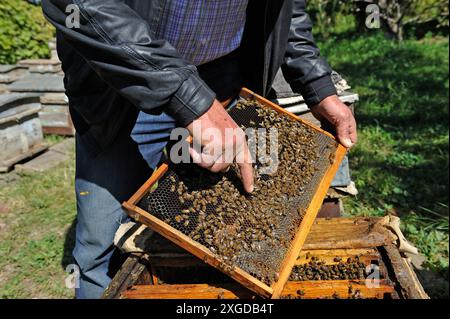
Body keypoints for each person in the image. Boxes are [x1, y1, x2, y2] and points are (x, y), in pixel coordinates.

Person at [41, 0, 357, 299]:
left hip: (223, 77)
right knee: (102, 245)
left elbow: (285, 8)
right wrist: (186, 96)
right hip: (122, 81)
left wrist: (316, 82)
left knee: (223, 229)